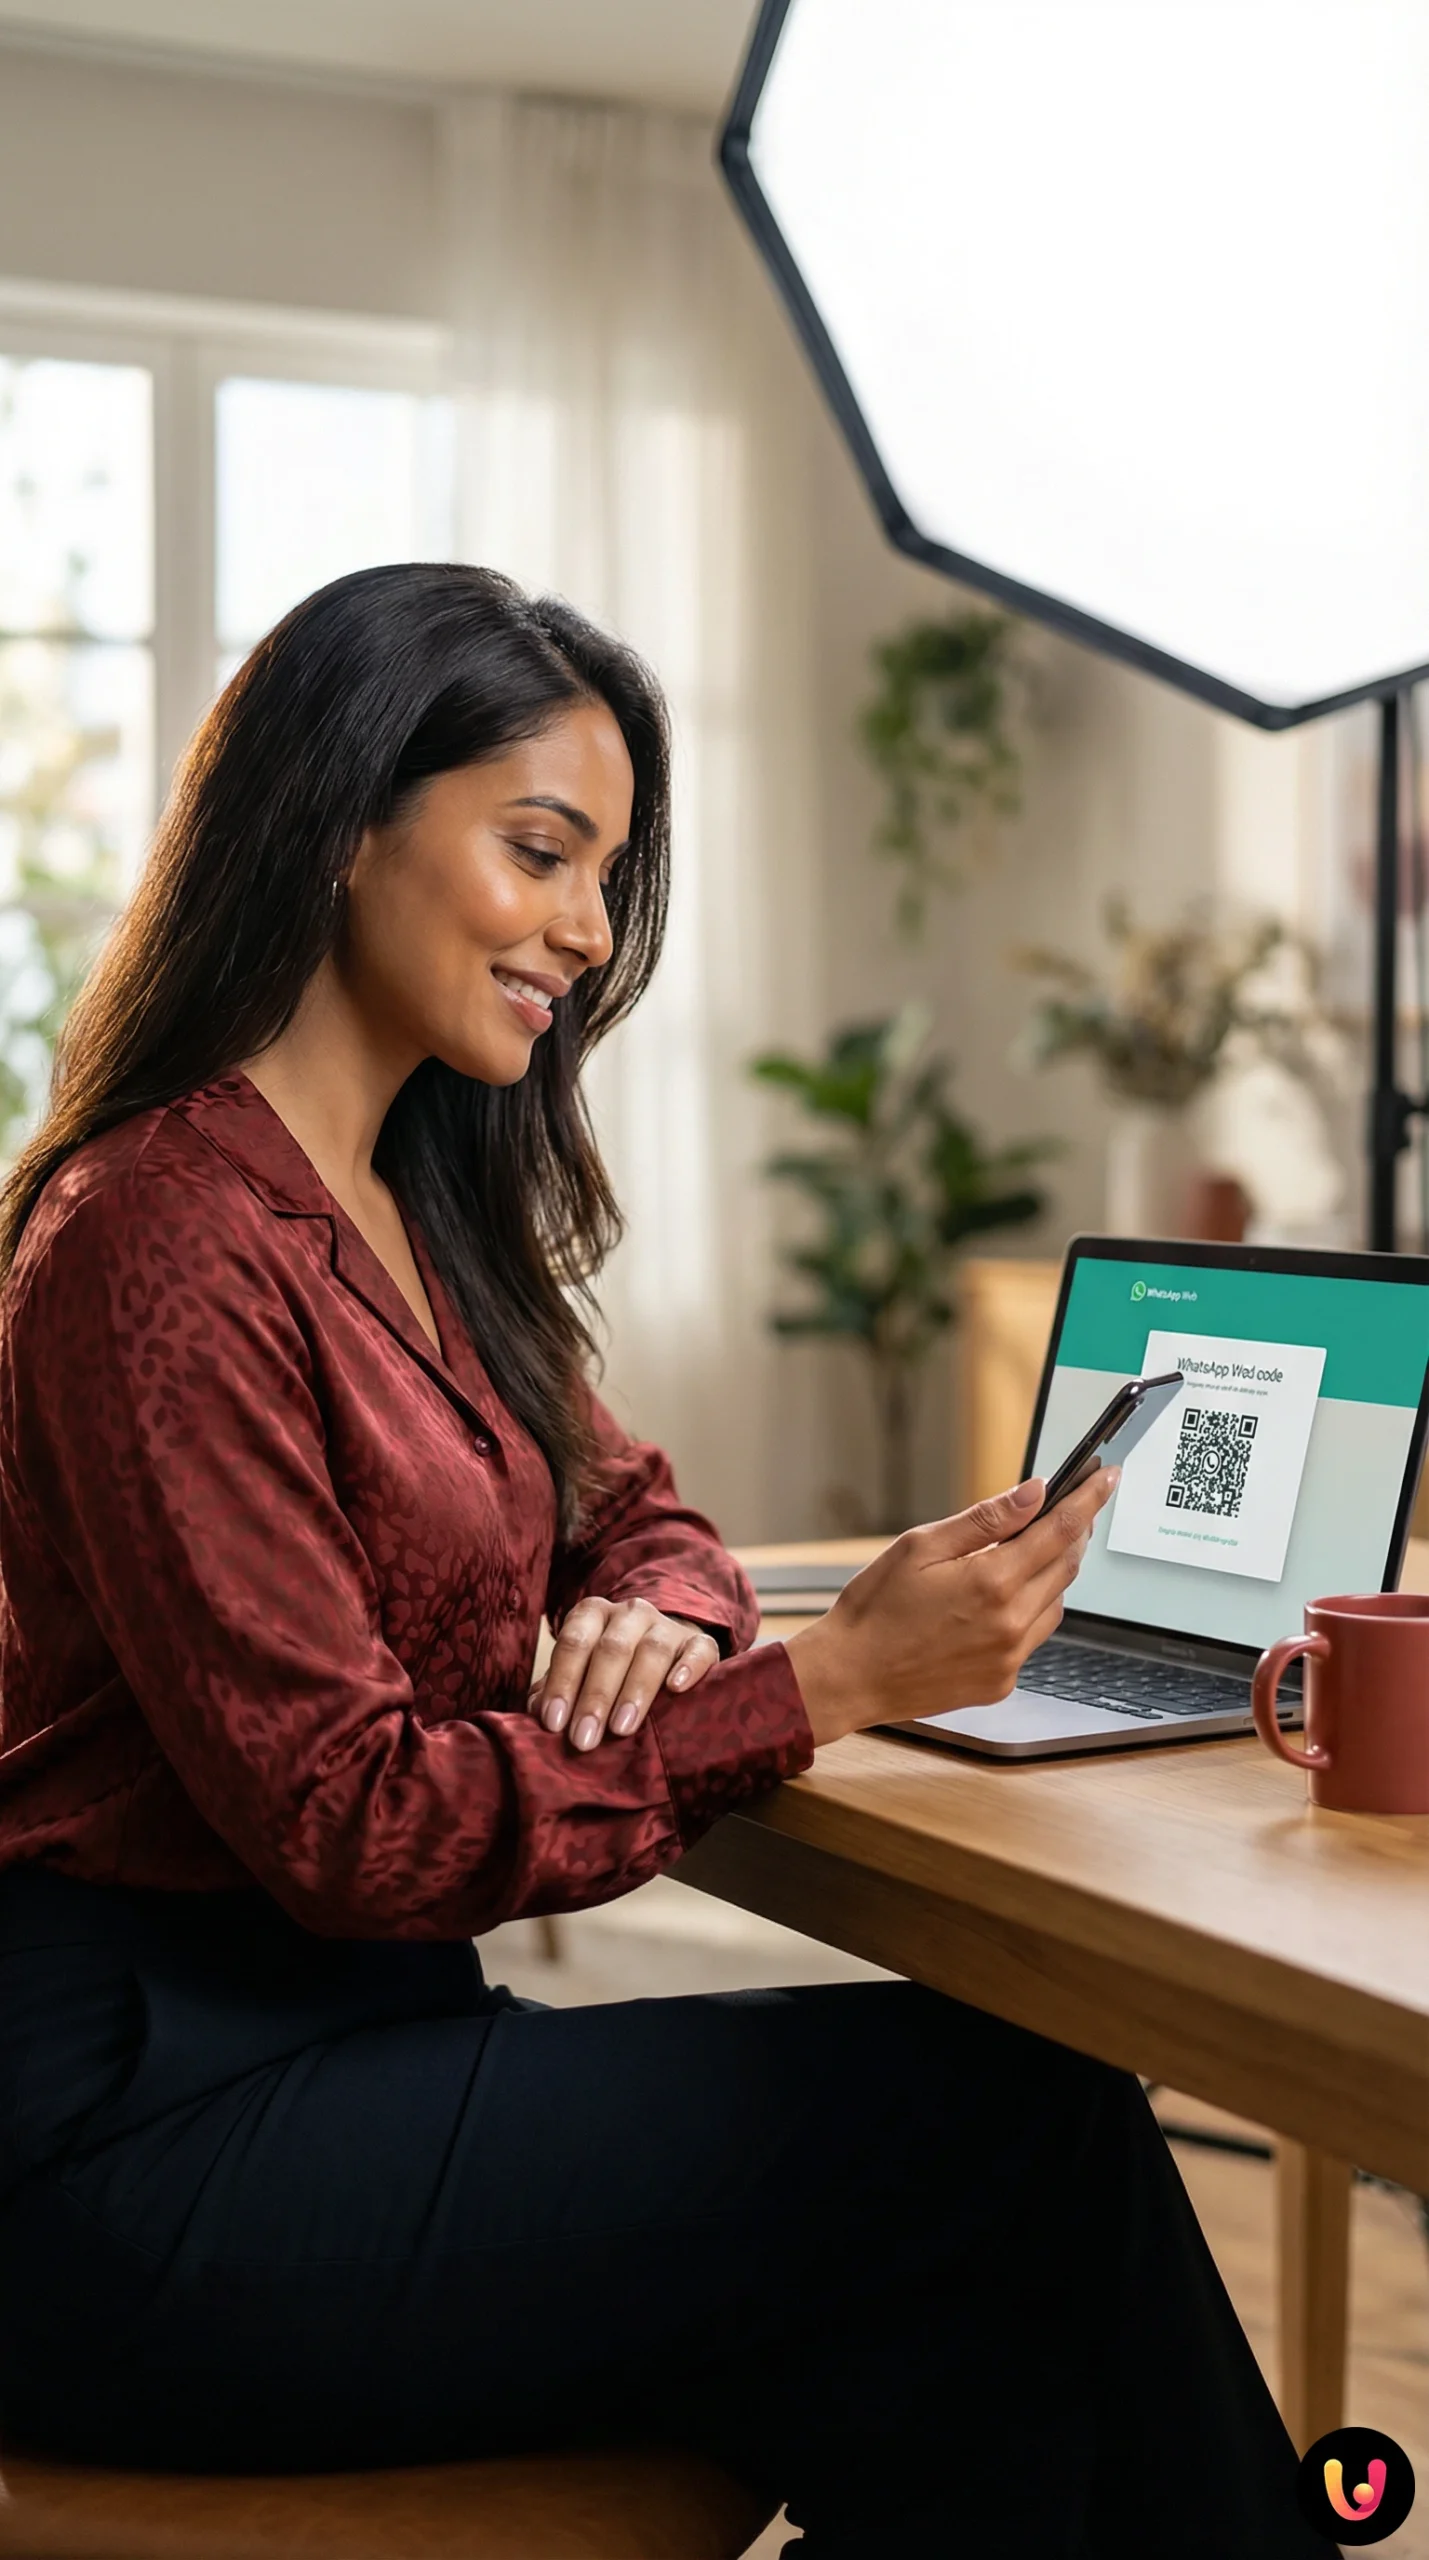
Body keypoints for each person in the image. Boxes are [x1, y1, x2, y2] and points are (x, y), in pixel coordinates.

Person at [0, 565, 1321, 2558]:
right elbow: (355, 1827)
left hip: (357, 2052)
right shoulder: (160, 1234)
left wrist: (665, 1609)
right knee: (997, 2125)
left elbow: (643, 1510)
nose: (588, 930)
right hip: (136, 2138)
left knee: (951, 2324)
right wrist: (834, 1679)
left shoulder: (412, 1206)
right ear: (346, 816)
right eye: (541, 850)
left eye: (607, 873)